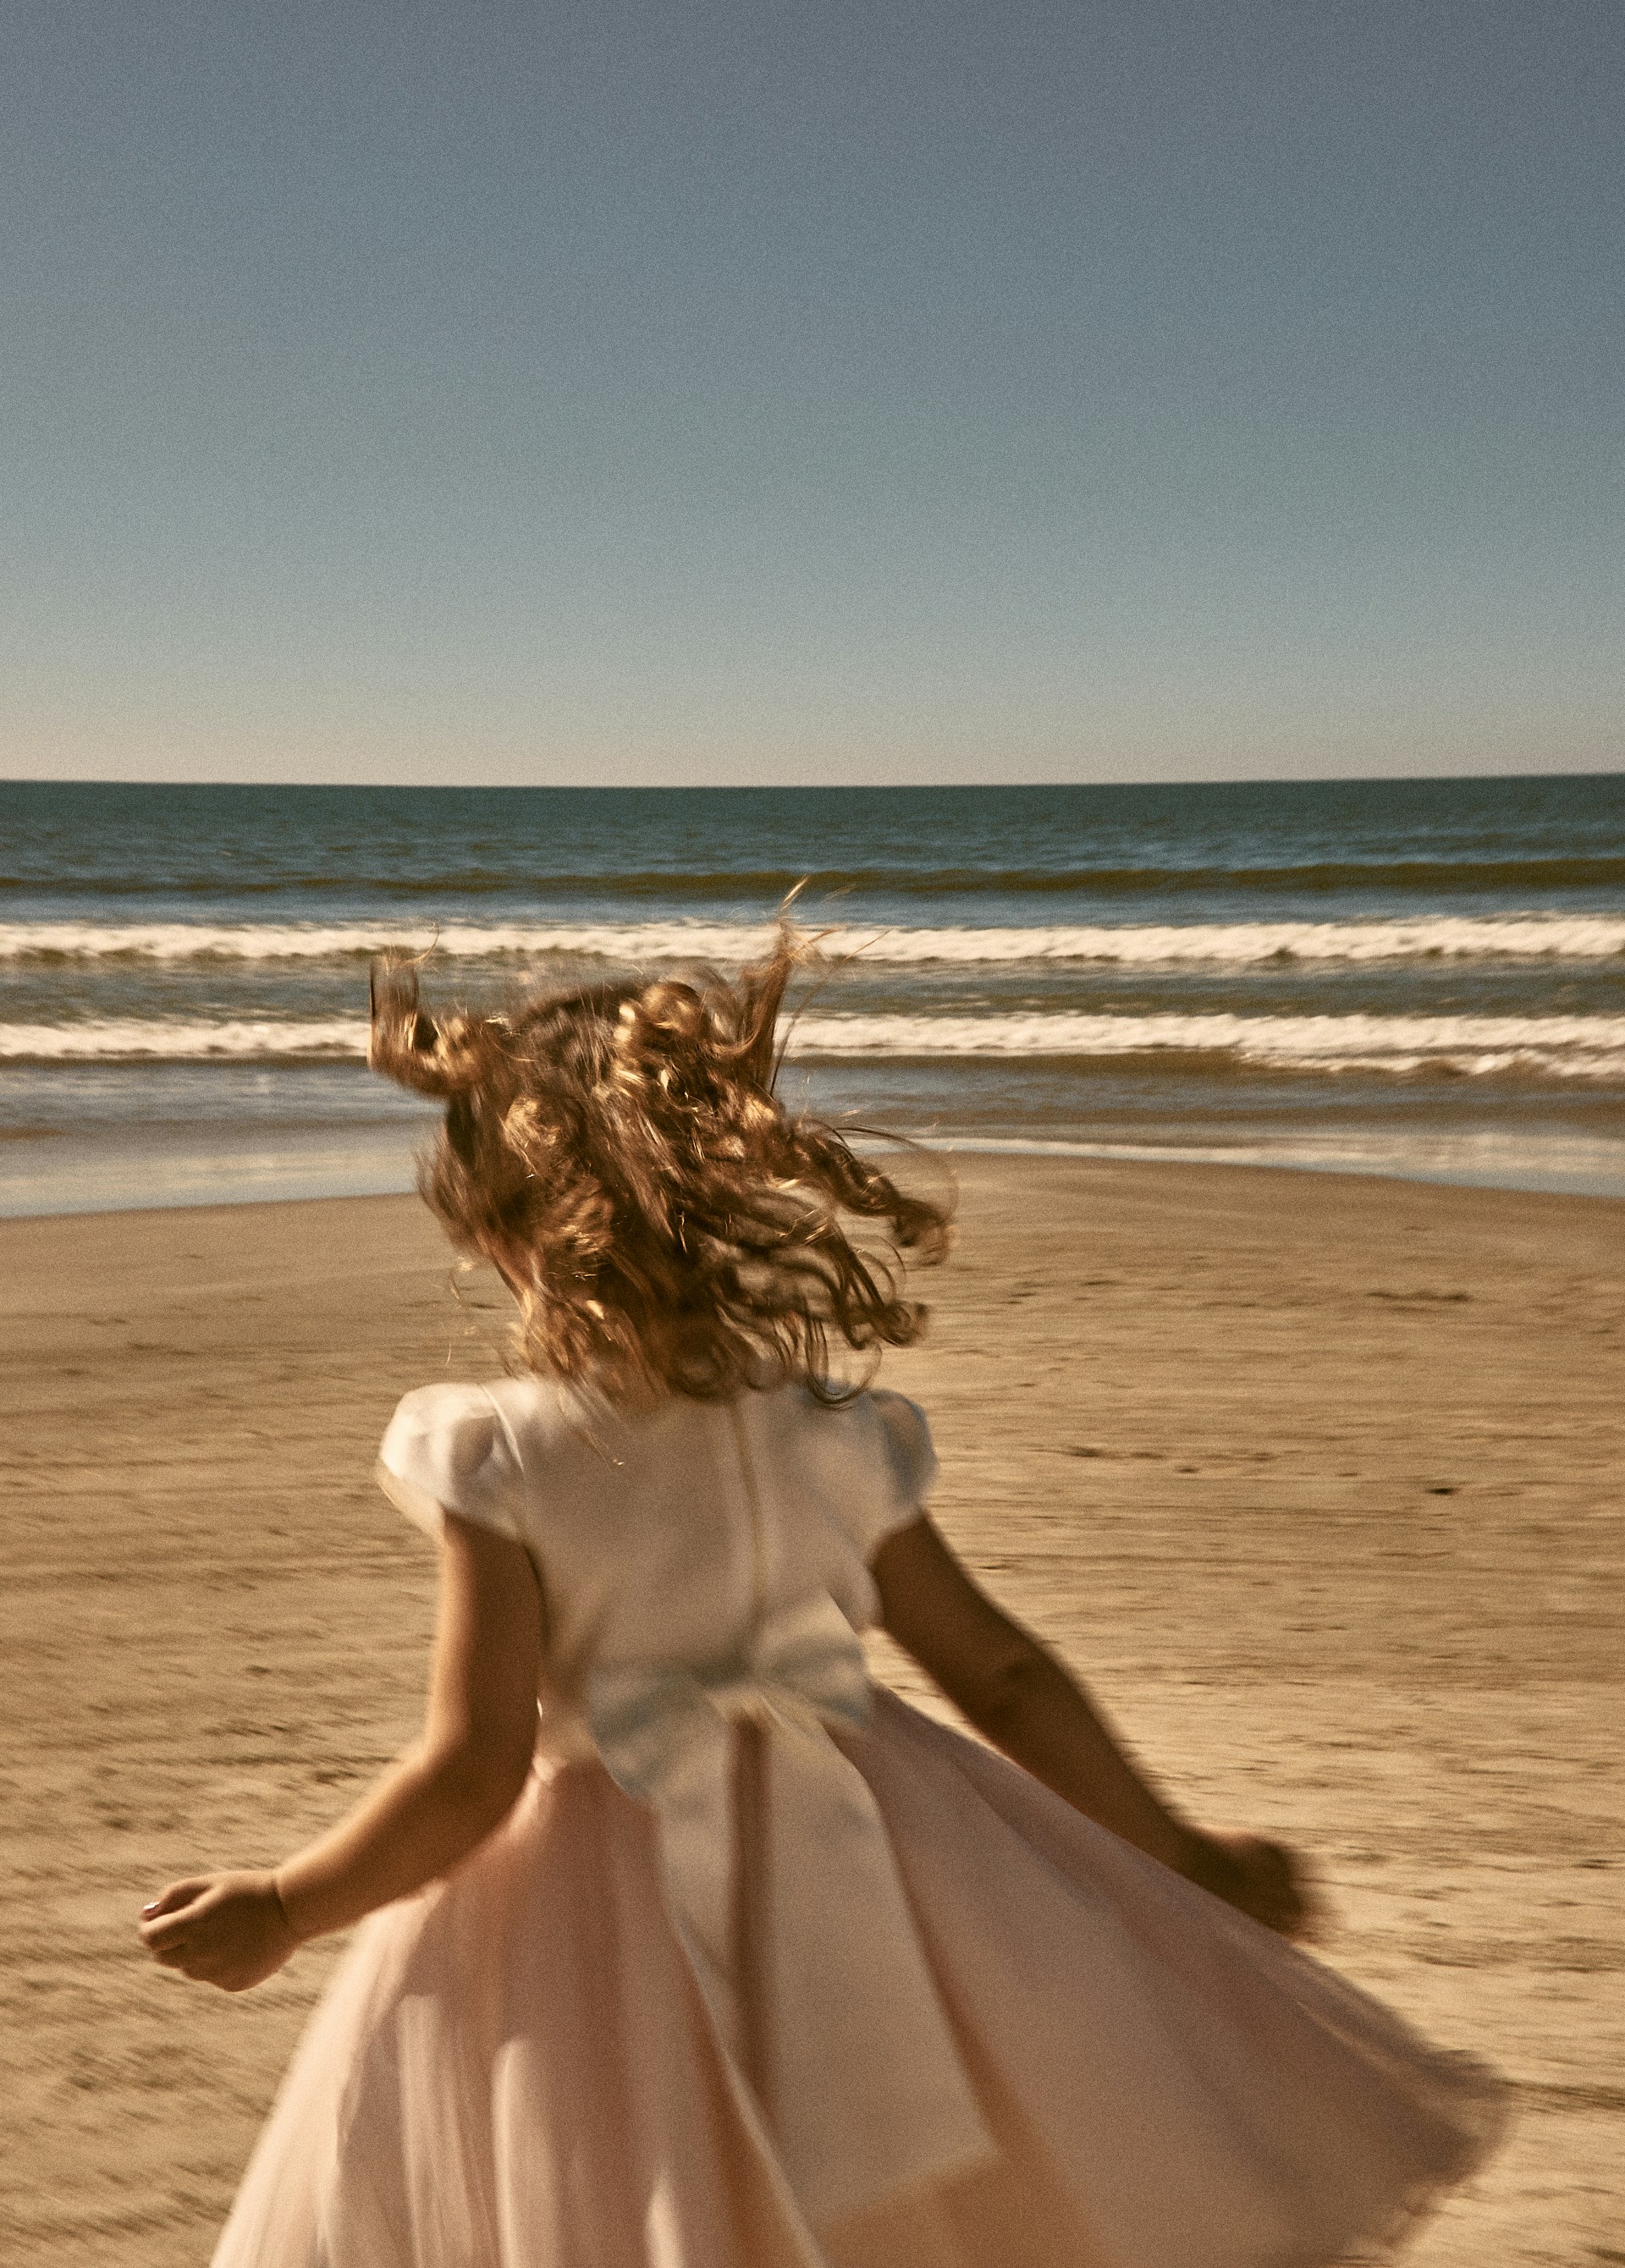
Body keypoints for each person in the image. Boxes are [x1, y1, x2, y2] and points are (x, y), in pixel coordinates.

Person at [140, 933, 1506, 2268]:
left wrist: (290, 1902)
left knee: (639, 2183)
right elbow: (1004, 1675)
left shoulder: (500, 1452)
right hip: (881, 1848)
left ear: (502, 1230)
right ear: (732, 1193)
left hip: (598, 1907)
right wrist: (1181, 1855)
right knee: (923, 2193)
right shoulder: (844, 1437)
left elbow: (476, 1766)